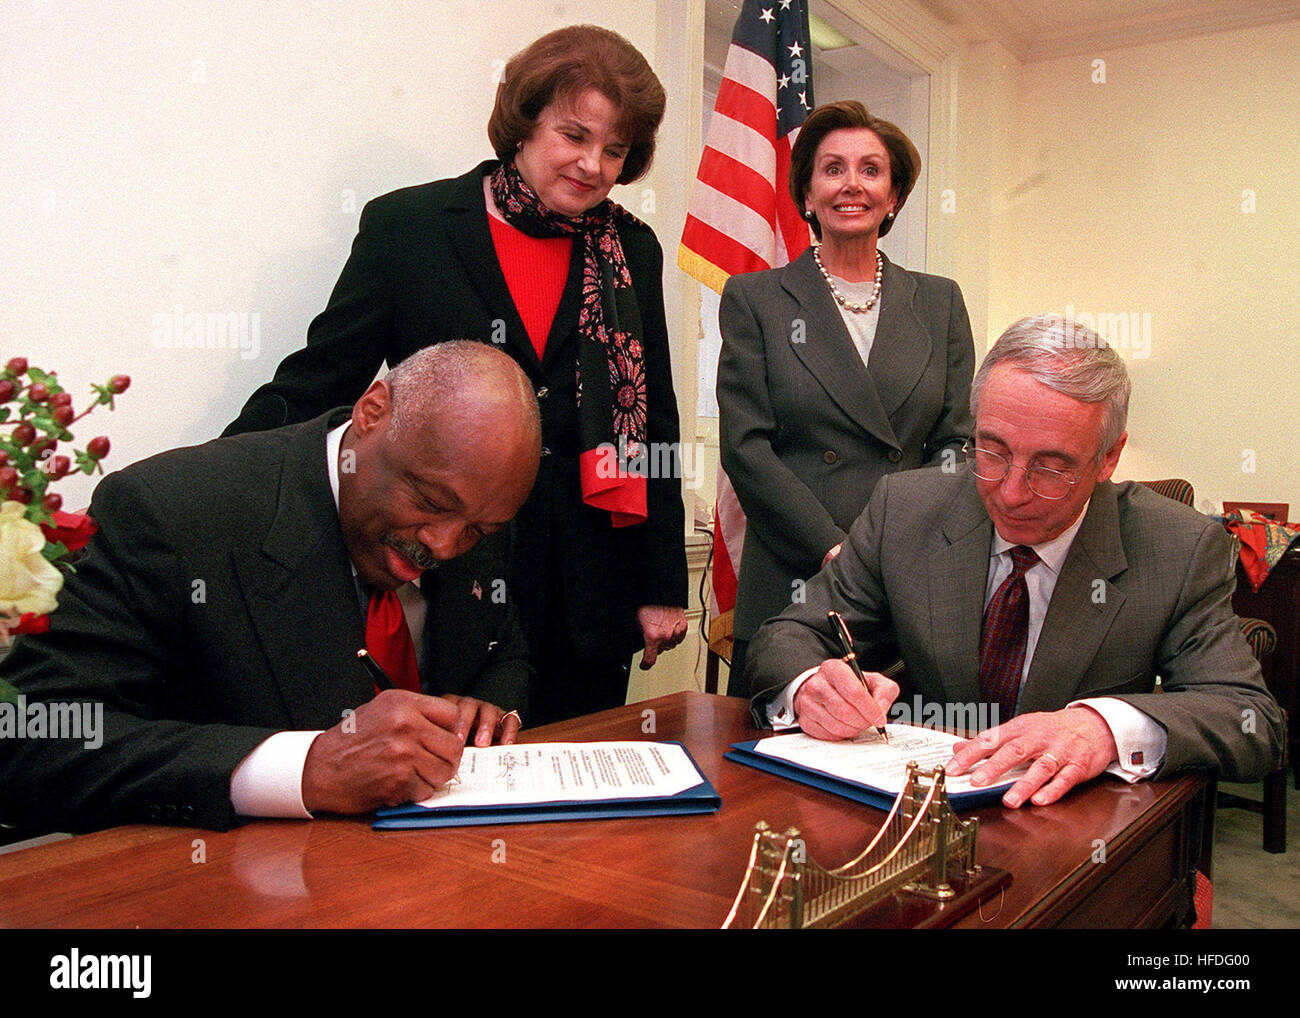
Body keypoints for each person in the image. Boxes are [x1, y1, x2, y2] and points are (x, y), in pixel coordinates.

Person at [224, 25, 688, 726]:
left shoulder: (633, 248)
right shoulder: (410, 227)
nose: (593, 165)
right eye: (575, 135)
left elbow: (654, 417)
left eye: (615, 149)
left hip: (589, 580)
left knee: (576, 797)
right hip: (452, 574)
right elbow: (321, 379)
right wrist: (209, 482)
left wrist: (661, 582)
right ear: (525, 120)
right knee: (449, 783)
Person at [0, 342, 543, 833]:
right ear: (372, 411)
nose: (445, 546)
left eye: (477, 531)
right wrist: (306, 769)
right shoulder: (172, 513)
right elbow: (35, 736)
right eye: (429, 502)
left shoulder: (477, 503)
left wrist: (491, 708)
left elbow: (504, 650)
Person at [745, 315, 1285, 808]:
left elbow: (1253, 722)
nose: (1010, 492)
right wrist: (811, 685)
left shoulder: (1178, 547)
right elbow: (786, 634)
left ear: (1109, 458)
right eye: (992, 450)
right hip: (915, 822)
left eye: (1051, 468)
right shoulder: (906, 509)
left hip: (1072, 844)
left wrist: (1103, 727)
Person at [717, 100, 974, 696]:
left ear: (894, 197)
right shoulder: (757, 298)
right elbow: (747, 449)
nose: (851, 185)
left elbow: (957, 441)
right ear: (806, 194)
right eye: (832, 169)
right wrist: (836, 546)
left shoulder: (939, 302)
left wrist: (899, 547)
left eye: (871, 170)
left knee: (898, 769)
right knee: (773, 778)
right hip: (794, 581)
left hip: (906, 585)